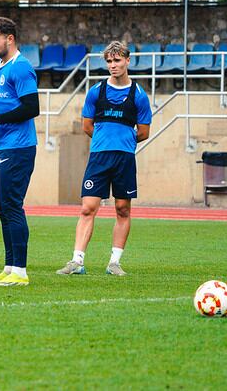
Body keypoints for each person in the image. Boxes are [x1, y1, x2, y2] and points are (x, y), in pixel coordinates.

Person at [57, 41, 151, 277]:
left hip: (124, 159)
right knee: (88, 208)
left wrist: (122, 142)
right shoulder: (96, 91)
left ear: (127, 61)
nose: (113, 65)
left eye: (117, 60)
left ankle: (114, 263)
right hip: (99, 158)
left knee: (122, 209)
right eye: (109, 61)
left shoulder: (138, 95)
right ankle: (77, 261)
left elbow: (144, 132)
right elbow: (88, 126)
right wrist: (105, 140)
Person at [0, 17, 39, 287]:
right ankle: (9, 267)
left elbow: (31, 107)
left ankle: (21, 272)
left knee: (12, 207)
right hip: (0, 145)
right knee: (2, 209)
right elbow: (1, 106)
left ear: (9, 39)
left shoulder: (21, 67)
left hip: (19, 147)